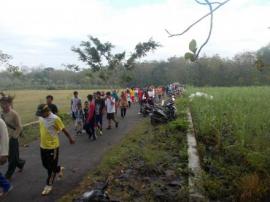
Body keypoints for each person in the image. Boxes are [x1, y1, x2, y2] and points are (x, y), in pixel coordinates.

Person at [36, 104, 75, 196]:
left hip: (53, 148)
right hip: (43, 146)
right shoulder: (41, 118)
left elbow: (63, 129)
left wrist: (70, 138)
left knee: (51, 168)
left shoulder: (55, 118)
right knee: (45, 165)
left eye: (41, 113)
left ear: (47, 111)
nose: (40, 115)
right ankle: (58, 169)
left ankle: (49, 185)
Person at [0, 95, 25, 180]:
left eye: (5, 104)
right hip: (4, 139)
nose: (3, 106)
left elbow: (19, 127)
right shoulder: (1, 114)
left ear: (9, 104)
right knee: (12, 156)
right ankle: (21, 163)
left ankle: (8, 175)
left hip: (12, 138)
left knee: (11, 158)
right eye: (2, 104)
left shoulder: (14, 114)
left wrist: (14, 136)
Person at [0, 118, 12, 197]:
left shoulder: (0, 122)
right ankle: (6, 185)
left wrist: (4, 153)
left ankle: (6, 185)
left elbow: (5, 138)